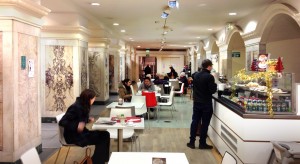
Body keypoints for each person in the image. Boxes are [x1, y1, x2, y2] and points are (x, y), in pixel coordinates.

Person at [59, 89, 110, 164]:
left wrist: (87, 120)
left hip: (81, 134)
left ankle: (101, 160)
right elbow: (63, 122)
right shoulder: (76, 107)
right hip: (75, 137)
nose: (94, 100)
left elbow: (78, 119)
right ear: (89, 98)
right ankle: (97, 162)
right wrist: (78, 125)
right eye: (93, 99)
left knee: (105, 134)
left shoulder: (82, 105)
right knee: (101, 138)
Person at [187, 59, 217, 150]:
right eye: (211, 66)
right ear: (209, 66)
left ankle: (192, 142)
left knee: (195, 121)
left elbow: (192, 75)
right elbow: (212, 90)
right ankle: (202, 143)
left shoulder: (196, 75)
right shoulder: (210, 77)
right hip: (206, 103)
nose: (211, 67)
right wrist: (215, 84)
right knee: (205, 123)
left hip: (196, 102)